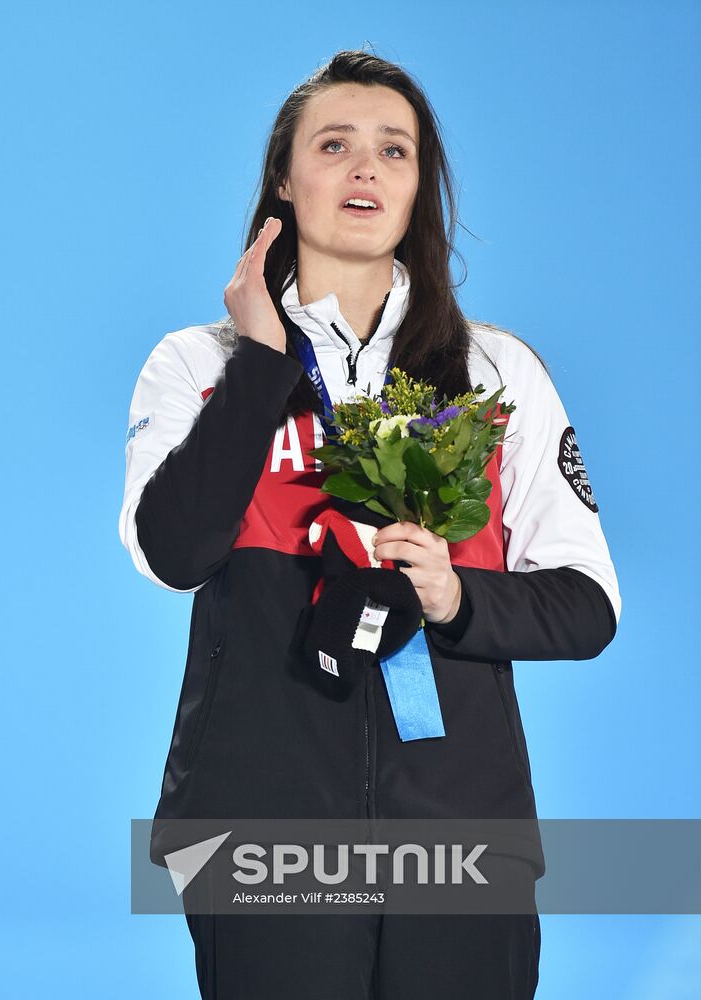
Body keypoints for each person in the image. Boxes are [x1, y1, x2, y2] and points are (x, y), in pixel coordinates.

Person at [119, 49, 621, 999]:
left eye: (394, 150)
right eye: (335, 143)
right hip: (259, 827)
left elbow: (587, 607)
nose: (364, 168)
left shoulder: (495, 369)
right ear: (285, 176)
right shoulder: (196, 361)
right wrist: (263, 365)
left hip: (460, 831)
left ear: (419, 185)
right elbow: (174, 555)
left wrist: (453, 592)